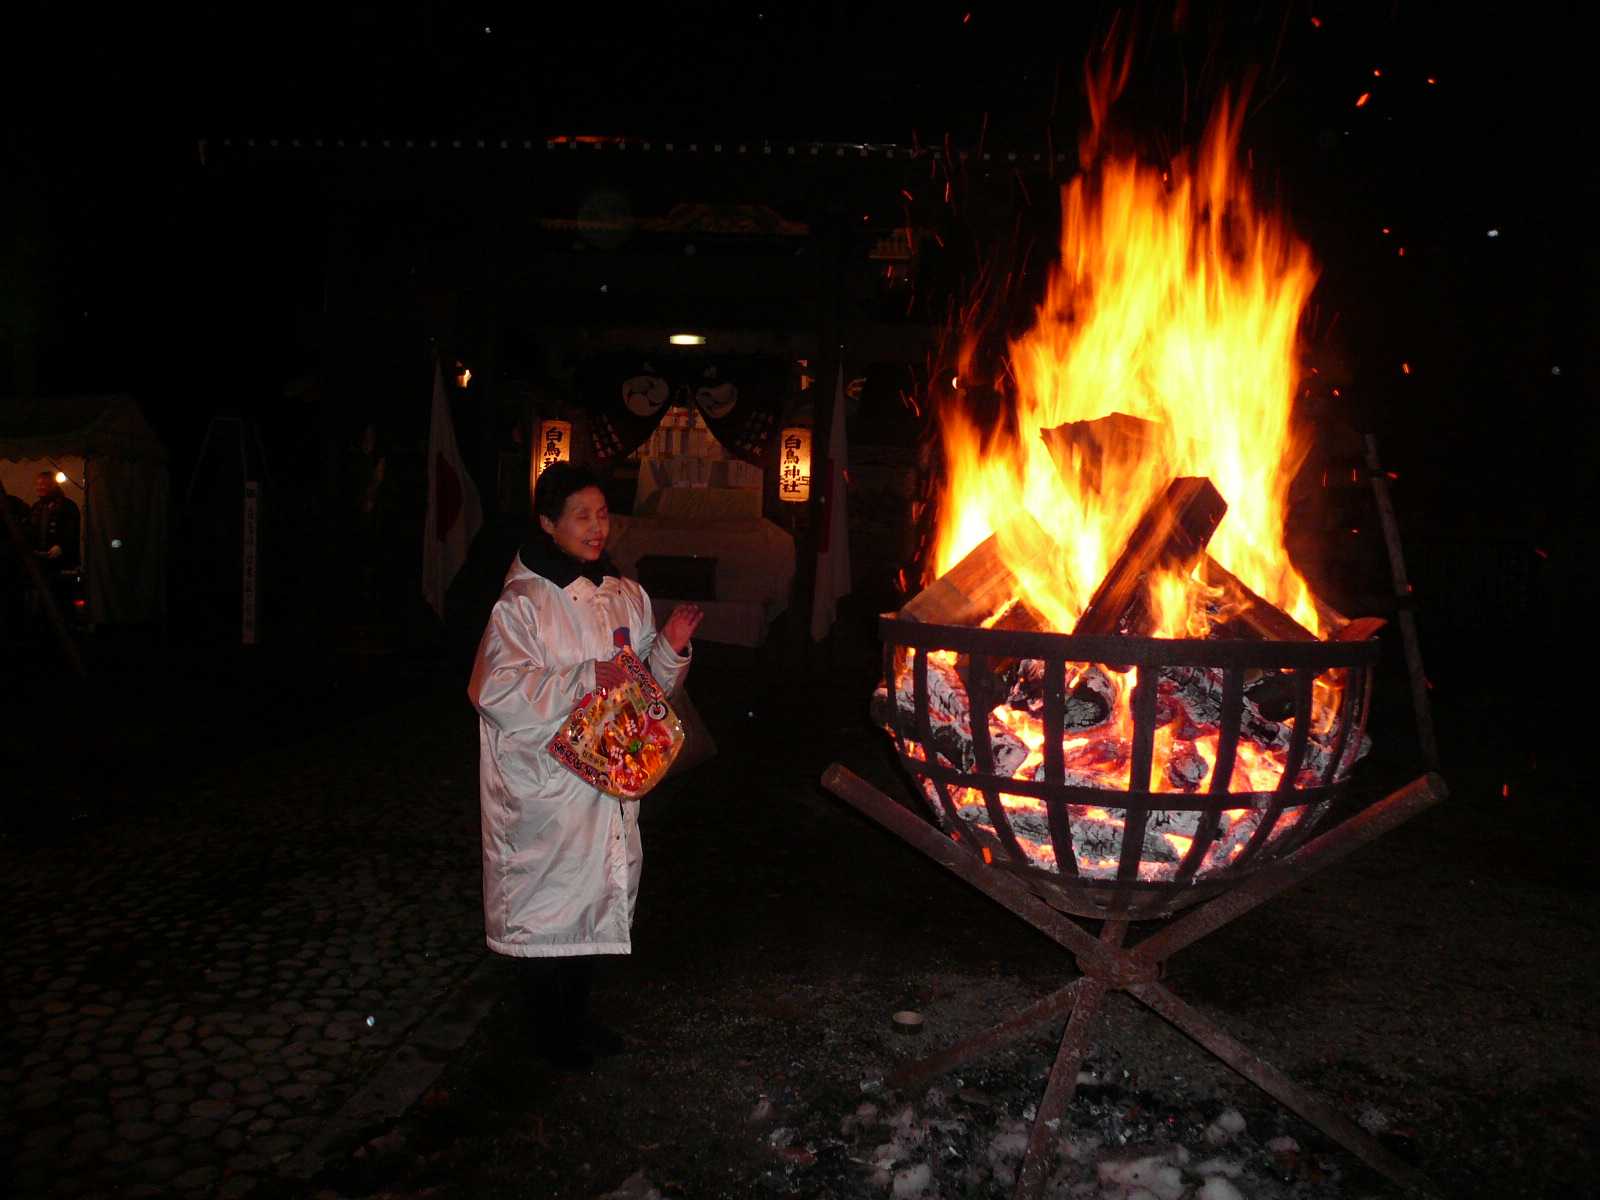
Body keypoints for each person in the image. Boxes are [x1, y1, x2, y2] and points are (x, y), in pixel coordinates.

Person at [468, 462, 703, 1070]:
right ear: (549, 524)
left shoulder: (624, 594)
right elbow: (494, 689)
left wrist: (670, 648)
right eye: (581, 516)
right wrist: (579, 680)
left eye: (602, 514)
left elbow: (646, 690)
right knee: (548, 915)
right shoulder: (523, 604)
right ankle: (547, 1038)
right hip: (548, 791)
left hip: (609, 784)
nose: (597, 527)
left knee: (595, 905)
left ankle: (576, 1023)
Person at [30, 471, 80, 570]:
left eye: (43, 484)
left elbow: (72, 531)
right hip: (40, 561)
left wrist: (61, 547)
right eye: (38, 484)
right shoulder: (36, 507)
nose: (39, 488)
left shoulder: (68, 506)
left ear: (53, 486)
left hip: (63, 561)